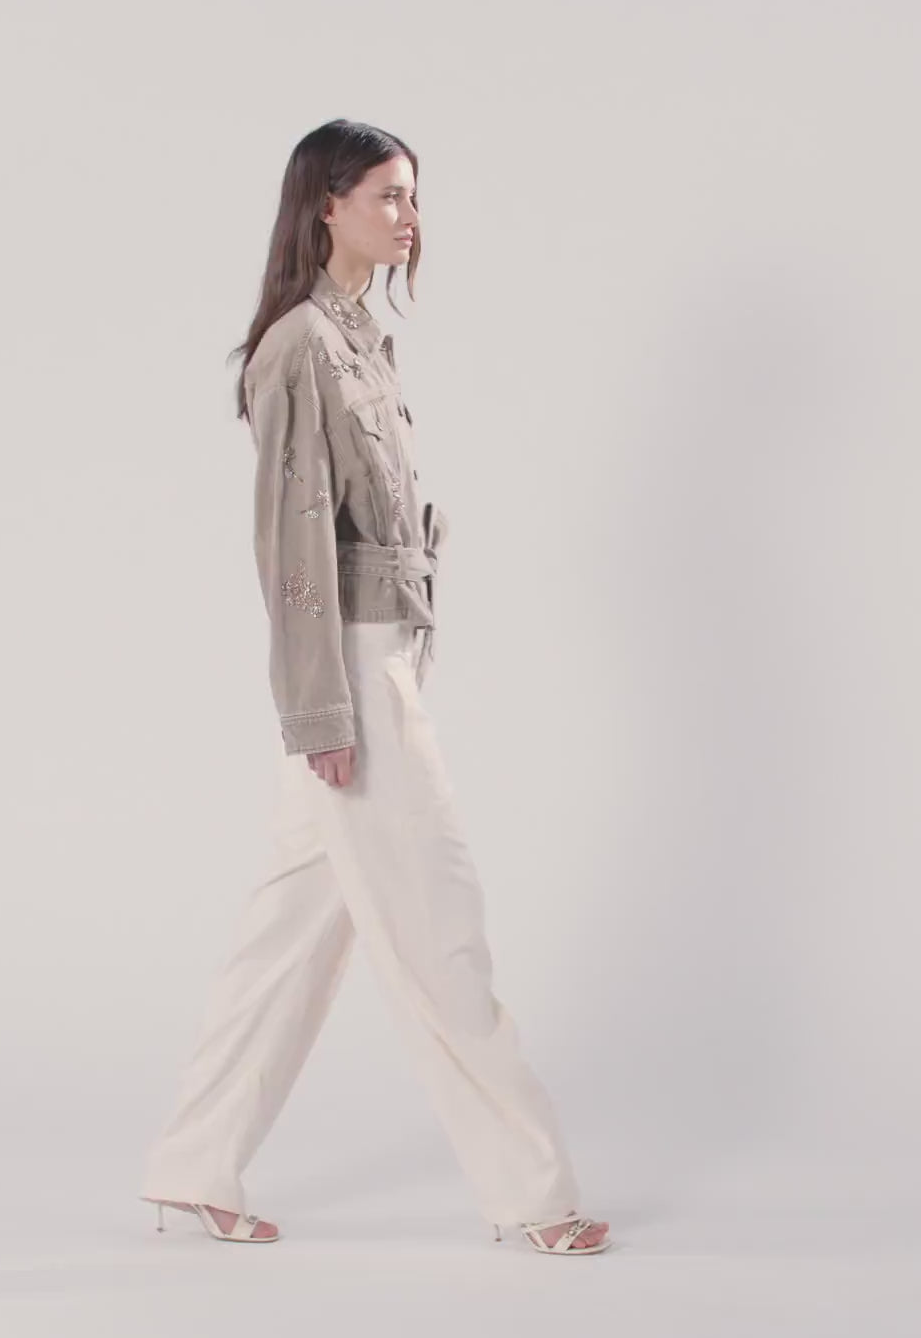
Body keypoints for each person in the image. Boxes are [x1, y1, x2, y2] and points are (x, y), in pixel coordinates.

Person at [137, 119, 611, 1257]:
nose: (409, 217)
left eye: (413, 196)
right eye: (388, 196)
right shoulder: (301, 344)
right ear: (327, 205)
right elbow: (294, 551)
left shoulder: (357, 337)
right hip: (348, 666)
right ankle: (533, 1194)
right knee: (442, 929)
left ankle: (191, 1168)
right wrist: (321, 711)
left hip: (383, 653)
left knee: (289, 939)